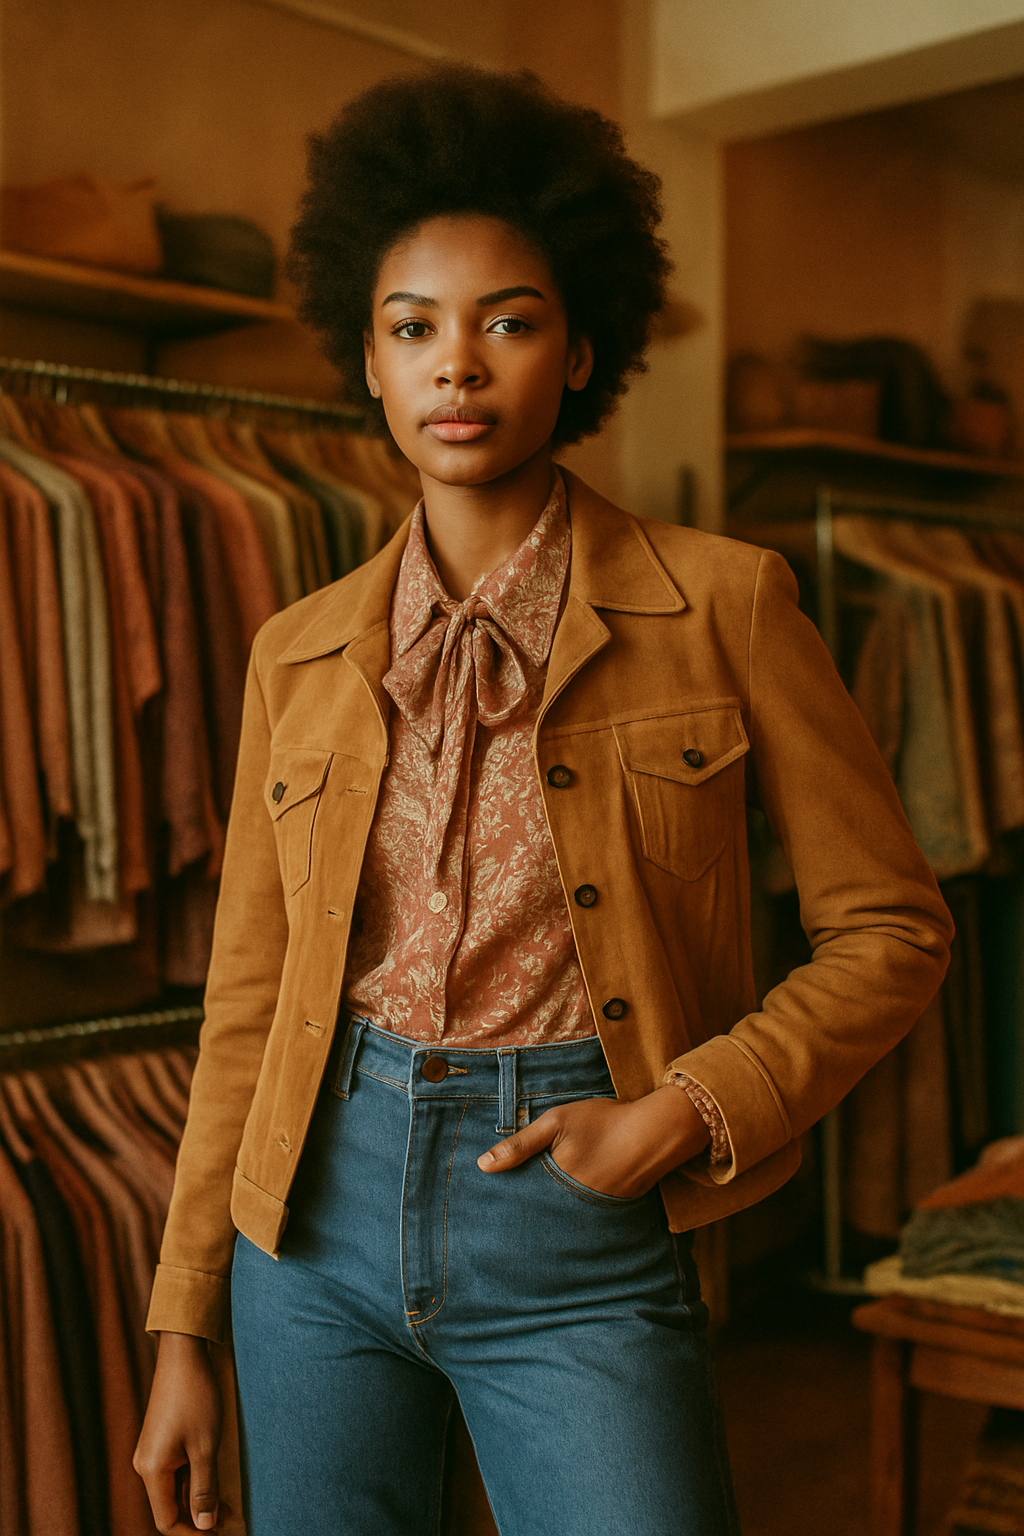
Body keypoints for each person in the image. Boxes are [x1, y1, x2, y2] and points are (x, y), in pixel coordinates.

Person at [134, 65, 953, 1536]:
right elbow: (247, 1000)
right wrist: (184, 1320)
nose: (457, 366)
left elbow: (892, 931)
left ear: (579, 351)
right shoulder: (295, 651)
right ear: (368, 362)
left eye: (506, 323)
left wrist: (684, 1111)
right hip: (308, 1230)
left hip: (578, 1220)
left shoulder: (727, 602)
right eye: (413, 329)